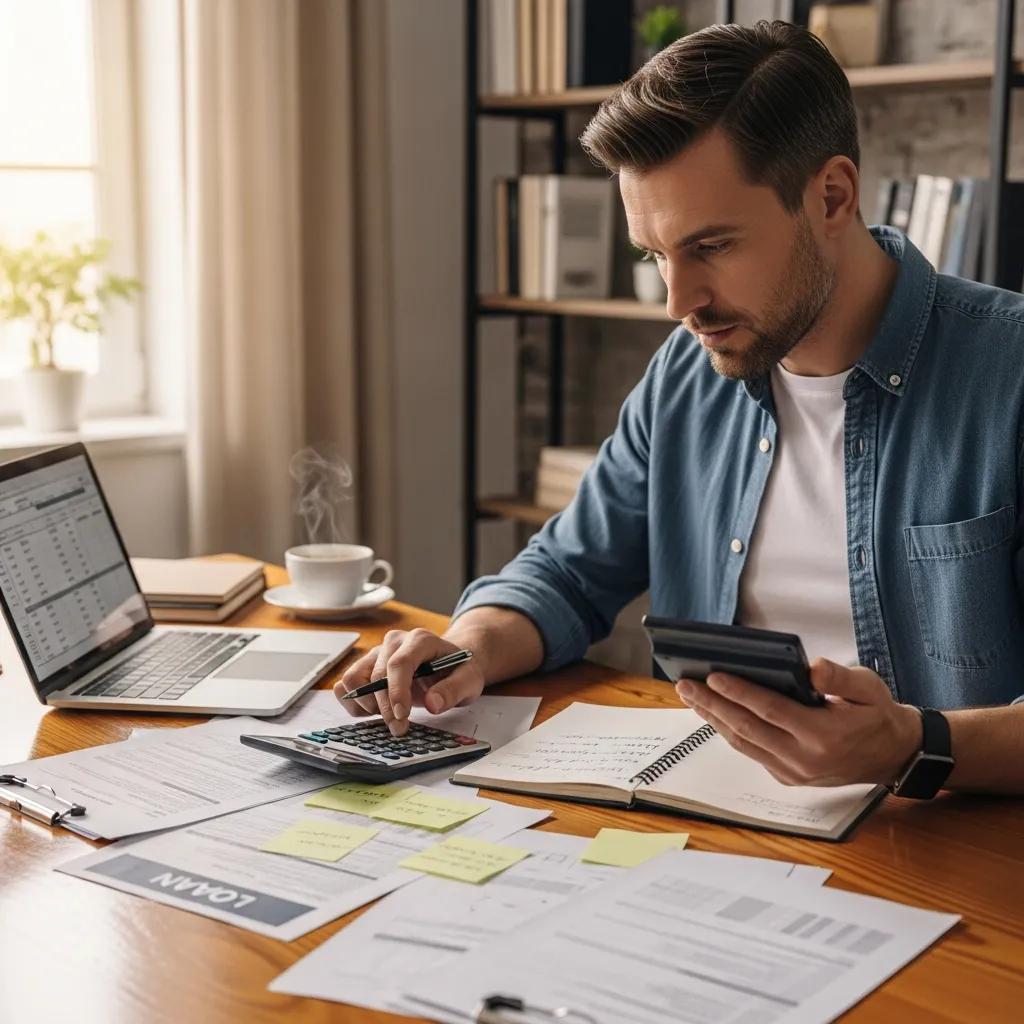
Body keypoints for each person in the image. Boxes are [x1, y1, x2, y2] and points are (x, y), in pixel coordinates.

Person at [336, 20, 1024, 796]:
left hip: (960, 845)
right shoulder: (688, 376)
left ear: (831, 196)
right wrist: (467, 649)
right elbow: (567, 571)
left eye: (713, 246)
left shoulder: (1009, 374)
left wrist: (914, 742)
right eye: (655, 255)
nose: (678, 302)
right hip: (715, 816)